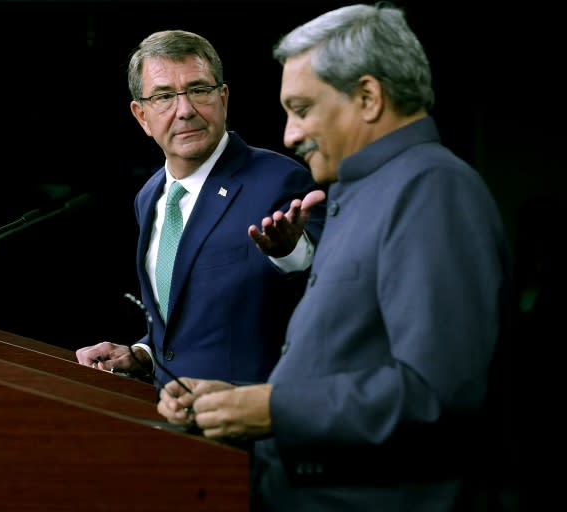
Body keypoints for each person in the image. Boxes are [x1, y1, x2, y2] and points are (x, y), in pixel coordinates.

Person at [156, 4, 514, 512]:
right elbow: (347, 365)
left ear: (368, 97)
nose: (289, 135)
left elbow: (437, 395)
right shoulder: (367, 189)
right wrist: (235, 399)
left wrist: (272, 409)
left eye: (301, 109)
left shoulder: (434, 190)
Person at [75, 29, 326, 389]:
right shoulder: (148, 198)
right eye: (164, 96)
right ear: (141, 115)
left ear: (223, 98)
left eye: (198, 90)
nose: (185, 110)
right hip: (170, 422)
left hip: (252, 426)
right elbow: (189, 319)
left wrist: (292, 253)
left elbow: (331, 299)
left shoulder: (281, 181)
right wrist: (145, 353)